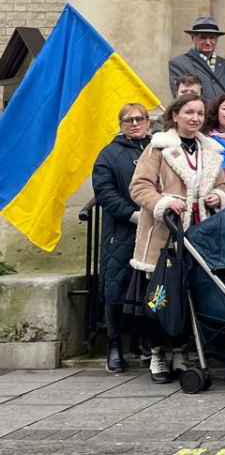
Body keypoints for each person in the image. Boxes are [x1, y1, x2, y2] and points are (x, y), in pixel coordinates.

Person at [127, 94, 225, 383]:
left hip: (198, 234)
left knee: (188, 296)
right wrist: (164, 202)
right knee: (161, 298)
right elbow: (139, 187)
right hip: (165, 235)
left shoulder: (211, 150)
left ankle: (181, 354)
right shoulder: (158, 148)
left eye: (200, 113)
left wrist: (217, 196)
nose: (195, 118)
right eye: (189, 112)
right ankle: (158, 354)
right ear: (175, 116)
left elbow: (223, 185)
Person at [92, 103, 153, 373]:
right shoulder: (109, 153)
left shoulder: (156, 148)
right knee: (116, 288)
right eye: (129, 120)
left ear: (148, 121)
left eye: (140, 118)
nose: (135, 123)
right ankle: (114, 345)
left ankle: (143, 340)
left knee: (147, 287)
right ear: (121, 125)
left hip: (153, 229)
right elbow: (104, 191)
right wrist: (131, 214)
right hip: (122, 230)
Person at [168, 16, 225, 103]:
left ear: (217, 39)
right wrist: (218, 108)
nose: (208, 42)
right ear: (193, 38)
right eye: (203, 37)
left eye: (212, 37)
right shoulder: (179, 64)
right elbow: (184, 98)